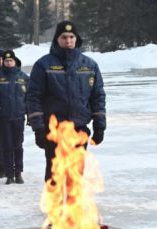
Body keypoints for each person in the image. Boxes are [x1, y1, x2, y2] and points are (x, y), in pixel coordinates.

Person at [27, 21, 106, 181]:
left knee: (75, 176)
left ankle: (72, 206)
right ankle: (55, 206)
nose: (68, 41)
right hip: (54, 130)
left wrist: (100, 126)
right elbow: (33, 97)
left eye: (71, 37)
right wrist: (39, 128)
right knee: (55, 177)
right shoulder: (44, 65)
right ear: (57, 39)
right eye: (64, 37)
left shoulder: (89, 65)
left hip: (79, 130)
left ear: (77, 39)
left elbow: (97, 96)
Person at [0, 50, 29, 185]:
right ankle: (9, 174)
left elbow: (29, 97)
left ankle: (18, 173)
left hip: (18, 116)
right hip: (4, 117)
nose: (8, 63)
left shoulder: (23, 77)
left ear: (15, 62)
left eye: (11, 61)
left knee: (18, 145)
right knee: (7, 145)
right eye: (6, 61)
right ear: (3, 62)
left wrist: (30, 114)